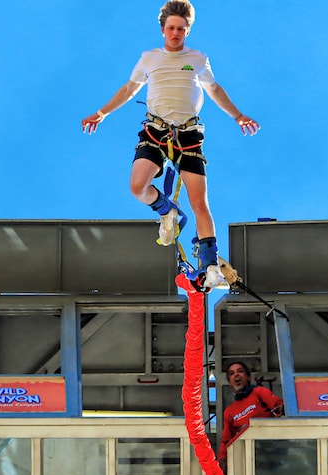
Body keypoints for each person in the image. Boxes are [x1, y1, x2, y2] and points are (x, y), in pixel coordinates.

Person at [81, 0, 260, 289]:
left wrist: (238, 116)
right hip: (155, 132)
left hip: (188, 137)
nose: (175, 33)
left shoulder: (198, 59)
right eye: (171, 28)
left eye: (181, 29)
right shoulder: (149, 58)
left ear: (187, 31)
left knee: (200, 202)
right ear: (163, 29)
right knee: (137, 186)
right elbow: (129, 89)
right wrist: (101, 113)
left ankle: (210, 265)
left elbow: (214, 89)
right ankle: (166, 210)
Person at [217, 361, 284, 463]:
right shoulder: (229, 411)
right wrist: (222, 459)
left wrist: (280, 409)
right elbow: (226, 440)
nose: (236, 375)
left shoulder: (259, 392)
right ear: (230, 383)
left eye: (240, 371)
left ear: (248, 377)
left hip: (270, 450)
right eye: (232, 373)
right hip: (247, 457)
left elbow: (280, 405)